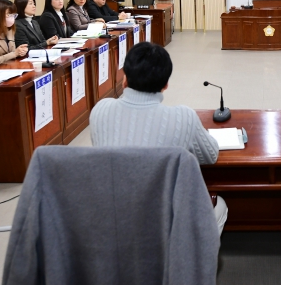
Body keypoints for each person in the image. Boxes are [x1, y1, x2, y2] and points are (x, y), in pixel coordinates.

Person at [89, 42, 228, 234]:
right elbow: (211, 155)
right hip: (163, 223)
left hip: (109, 218)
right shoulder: (183, 117)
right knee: (219, 206)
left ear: (124, 78)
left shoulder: (100, 111)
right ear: (166, 85)